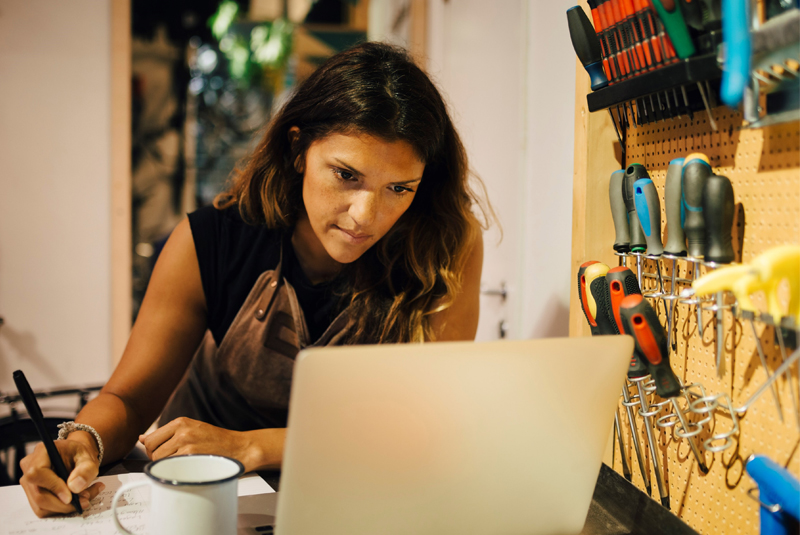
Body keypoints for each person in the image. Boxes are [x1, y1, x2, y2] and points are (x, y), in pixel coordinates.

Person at [19, 41, 488, 517]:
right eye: (346, 175)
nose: (366, 215)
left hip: (354, 497)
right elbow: (129, 398)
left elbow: (422, 425)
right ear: (299, 148)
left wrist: (254, 446)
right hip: (208, 498)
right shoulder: (211, 240)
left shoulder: (444, 249)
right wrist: (83, 438)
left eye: (398, 189)